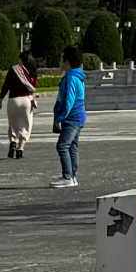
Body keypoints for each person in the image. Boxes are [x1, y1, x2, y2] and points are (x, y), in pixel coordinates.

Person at [52, 48, 87, 189]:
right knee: (72, 147)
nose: (60, 62)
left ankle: (68, 177)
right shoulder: (77, 76)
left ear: (67, 62)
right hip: (78, 117)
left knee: (62, 146)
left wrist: (60, 118)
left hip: (72, 118)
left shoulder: (71, 78)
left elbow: (68, 100)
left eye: (62, 59)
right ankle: (72, 176)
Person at [1, 54, 38, 158]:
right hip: (26, 100)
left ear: (21, 60)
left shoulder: (14, 70)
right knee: (26, 124)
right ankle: (20, 149)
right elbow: (34, 86)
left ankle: (12, 141)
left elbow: (6, 85)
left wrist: (0, 98)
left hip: (13, 99)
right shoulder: (33, 71)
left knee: (13, 124)